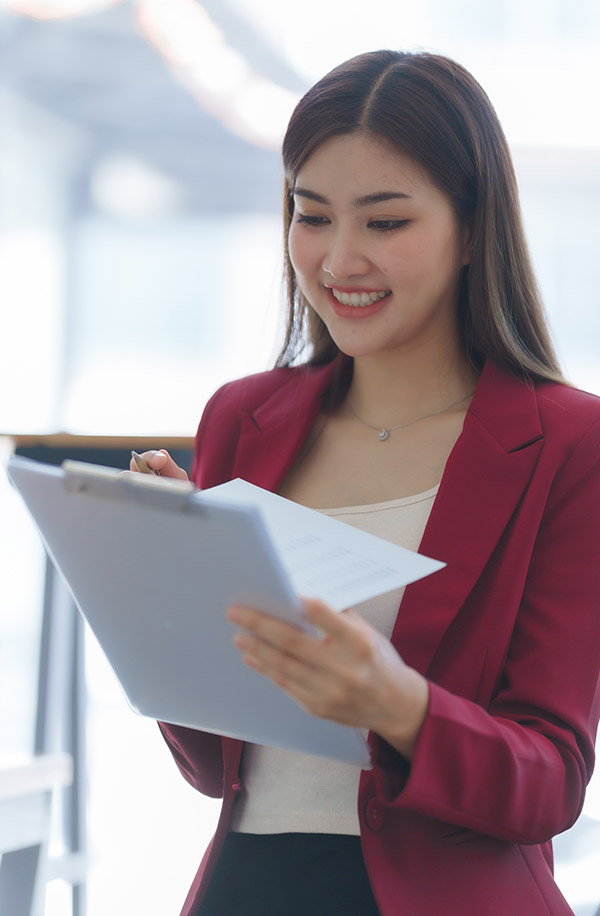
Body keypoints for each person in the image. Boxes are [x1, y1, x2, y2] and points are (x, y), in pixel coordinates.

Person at [130, 50, 600, 916]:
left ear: (472, 227)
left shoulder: (569, 443)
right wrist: (160, 586)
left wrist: (403, 707)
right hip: (250, 890)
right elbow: (211, 766)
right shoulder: (242, 419)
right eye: (311, 216)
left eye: (385, 223)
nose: (339, 259)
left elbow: (552, 784)